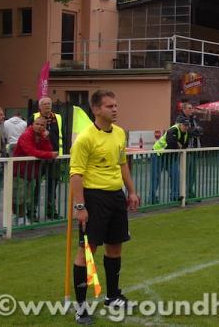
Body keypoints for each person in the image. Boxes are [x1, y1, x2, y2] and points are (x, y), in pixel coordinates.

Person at [70, 90, 140, 324]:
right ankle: (80, 306)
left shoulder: (120, 133)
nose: (115, 109)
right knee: (87, 251)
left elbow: (122, 164)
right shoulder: (85, 138)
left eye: (116, 105)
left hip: (115, 197)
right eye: (109, 106)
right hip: (93, 198)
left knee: (115, 247)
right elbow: (76, 175)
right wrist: (80, 206)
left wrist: (130, 191)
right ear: (96, 109)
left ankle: (113, 295)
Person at [12, 116, 58, 225]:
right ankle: (18, 218)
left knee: (28, 197)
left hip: (31, 172)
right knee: (19, 197)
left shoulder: (41, 136)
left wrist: (45, 139)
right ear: (32, 124)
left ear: (45, 127)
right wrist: (49, 155)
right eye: (37, 124)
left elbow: (48, 149)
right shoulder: (26, 135)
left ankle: (22, 218)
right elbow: (30, 151)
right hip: (20, 171)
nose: (39, 126)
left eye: (42, 125)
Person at [28, 97, 63, 220]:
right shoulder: (34, 117)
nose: (47, 106)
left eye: (49, 103)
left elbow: (62, 134)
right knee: (35, 186)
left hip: (54, 157)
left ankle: (51, 211)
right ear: (40, 106)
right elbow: (29, 134)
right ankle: (32, 212)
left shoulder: (58, 117)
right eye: (44, 104)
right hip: (39, 157)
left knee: (52, 185)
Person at [151, 115, 190, 203]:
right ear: (180, 124)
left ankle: (175, 197)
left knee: (176, 175)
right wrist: (178, 145)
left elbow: (185, 146)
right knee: (155, 177)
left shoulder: (186, 133)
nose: (186, 127)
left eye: (187, 125)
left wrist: (178, 144)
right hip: (158, 154)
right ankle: (152, 198)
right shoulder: (173, 129)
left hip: (171, 156)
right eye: (185, 125)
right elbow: (171, 143)